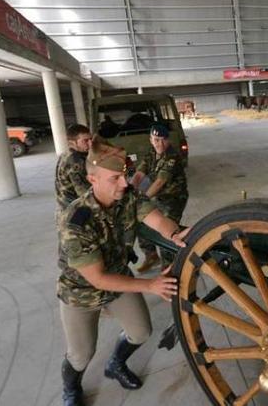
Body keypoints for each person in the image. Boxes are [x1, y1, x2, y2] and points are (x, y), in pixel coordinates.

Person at [57, 138, 189, 406]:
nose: (124, 183)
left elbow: (156, 218)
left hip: (119, 277)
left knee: (140, 332)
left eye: (125, 175)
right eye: (115, 178)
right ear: (92, 180)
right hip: (81, 292)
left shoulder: (128, 196)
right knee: (81, 355)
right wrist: (151, 285)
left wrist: (174, 233)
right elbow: (97, 278)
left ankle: (115, 363)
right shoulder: (76, 220)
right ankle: (71, 389)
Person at [132, 123, 189, 273]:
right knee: (142, 222)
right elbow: (139, 174)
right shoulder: (151, 153)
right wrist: (130, 191)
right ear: (150, 139)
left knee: (167, 231)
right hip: (158, 197)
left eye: (162, 139)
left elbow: (159, 182)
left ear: (168, 140)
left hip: (174, 198)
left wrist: (141, 199)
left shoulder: (172, 157)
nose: (159, 143)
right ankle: (151, 256)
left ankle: (169, 268)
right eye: (156, 139)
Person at [55, 124, 93, 217]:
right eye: (85, 141)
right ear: (72, 143)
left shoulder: (65, 155)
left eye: (90, 139)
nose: (90, 143)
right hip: (75, 211)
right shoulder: (75, 161)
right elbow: (84, 193)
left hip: (66, 207)